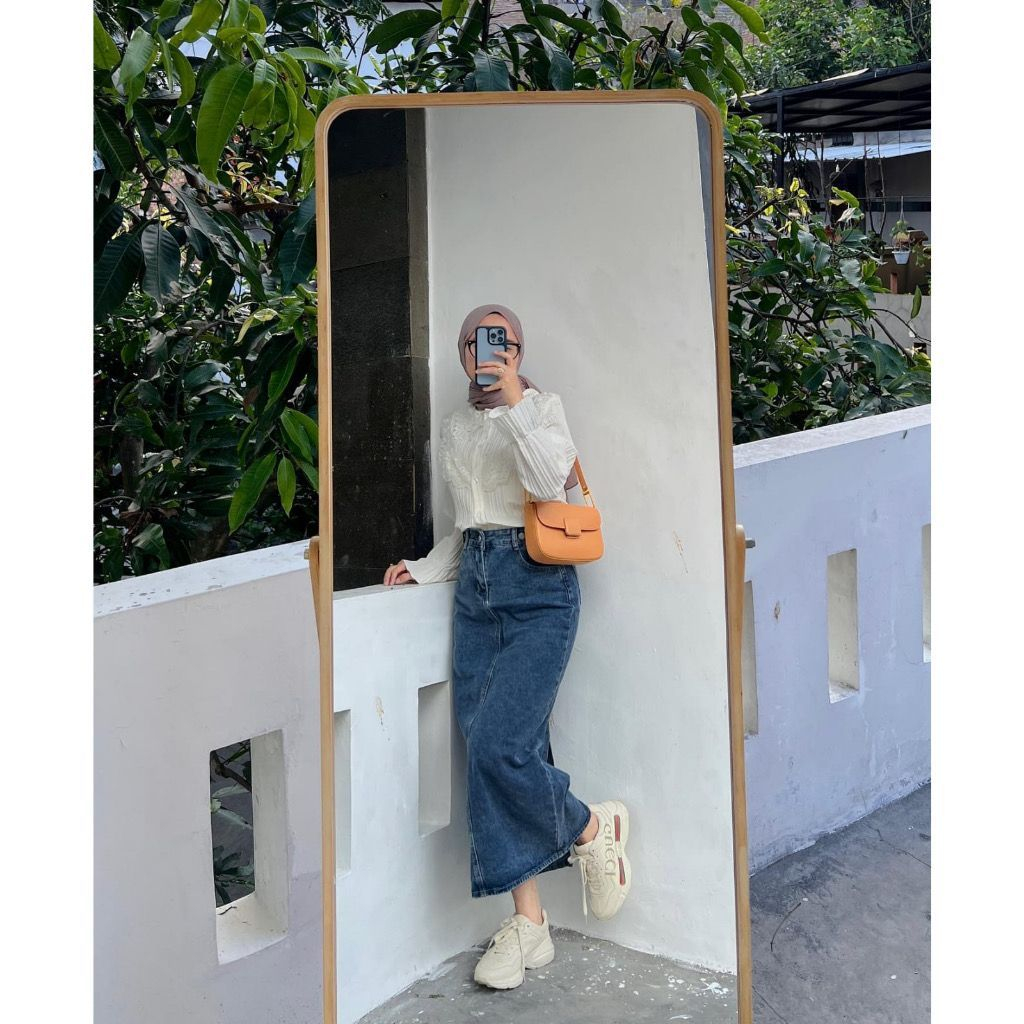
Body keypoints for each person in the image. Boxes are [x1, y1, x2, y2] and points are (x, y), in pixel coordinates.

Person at [383, 303, 632, 991]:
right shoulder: (455, 426)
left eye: (503, 341)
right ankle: (530, 922)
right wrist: (424, 570)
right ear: (462, 353)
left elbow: (550, 482)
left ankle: (589, 829)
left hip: (540, 589)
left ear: (519, 351)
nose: (488, 352)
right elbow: (470, 524)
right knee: (488, 752)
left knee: (501, 746)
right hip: (477, 595)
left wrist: (516, 399)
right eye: (476, 341)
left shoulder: (542, 408)